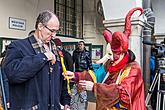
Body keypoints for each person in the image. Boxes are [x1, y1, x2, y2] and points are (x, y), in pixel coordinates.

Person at [65, 7, 146, 110]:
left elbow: (124, 94)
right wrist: (76, 75)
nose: (109, 58)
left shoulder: (133, 69)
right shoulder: (110, 63)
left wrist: (95, 87)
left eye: (111, 54)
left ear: (121, 53)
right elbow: (96, 76)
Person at [2, 10, 70, 110]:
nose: (54, 35)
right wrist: (43, 57)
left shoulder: (56, 50)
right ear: (40, 26)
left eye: (56, 31)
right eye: (51, 31)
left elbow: (61, 80)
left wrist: (66, 102)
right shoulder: (18, 47)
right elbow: (13, 75)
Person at [71, 41, 93, 110]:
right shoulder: (75, 52)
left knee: (83, 86)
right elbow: (72, 62)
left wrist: (91, 71)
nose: (80, 46)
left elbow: (89, 62)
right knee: (77, 85)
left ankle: (83, 98)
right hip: (77, 71)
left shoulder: (87, 53)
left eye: (81, 45)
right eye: (79, 45)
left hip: (84, 71)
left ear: (84, 45)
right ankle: (76, 99)